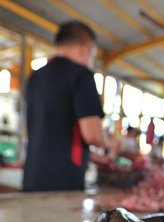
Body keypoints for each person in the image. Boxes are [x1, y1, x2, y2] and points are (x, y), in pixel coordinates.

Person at [22, 20, 117, 192]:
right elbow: (93, 135)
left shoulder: (35, 76)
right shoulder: (81, 76)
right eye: (93, 54)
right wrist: (112, 144)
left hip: (32, 177)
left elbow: (53, 135)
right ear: (85, 47)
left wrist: (91, 156)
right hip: (63, 182)